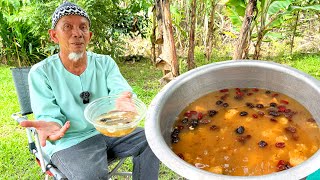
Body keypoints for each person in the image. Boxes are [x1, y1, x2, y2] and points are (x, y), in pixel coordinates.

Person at [20, 1, 159, 179]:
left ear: (90, 35)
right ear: (54, 35)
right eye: (67, 27)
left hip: (109, 130)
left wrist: (123, 99)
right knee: (90, 175)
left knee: (153, 139)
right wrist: (52, 125)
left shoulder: (105, 63)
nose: (77, 33)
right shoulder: (41, 73)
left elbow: (120, 90)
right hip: (70, 141)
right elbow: (48, 115)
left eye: (83, 27)